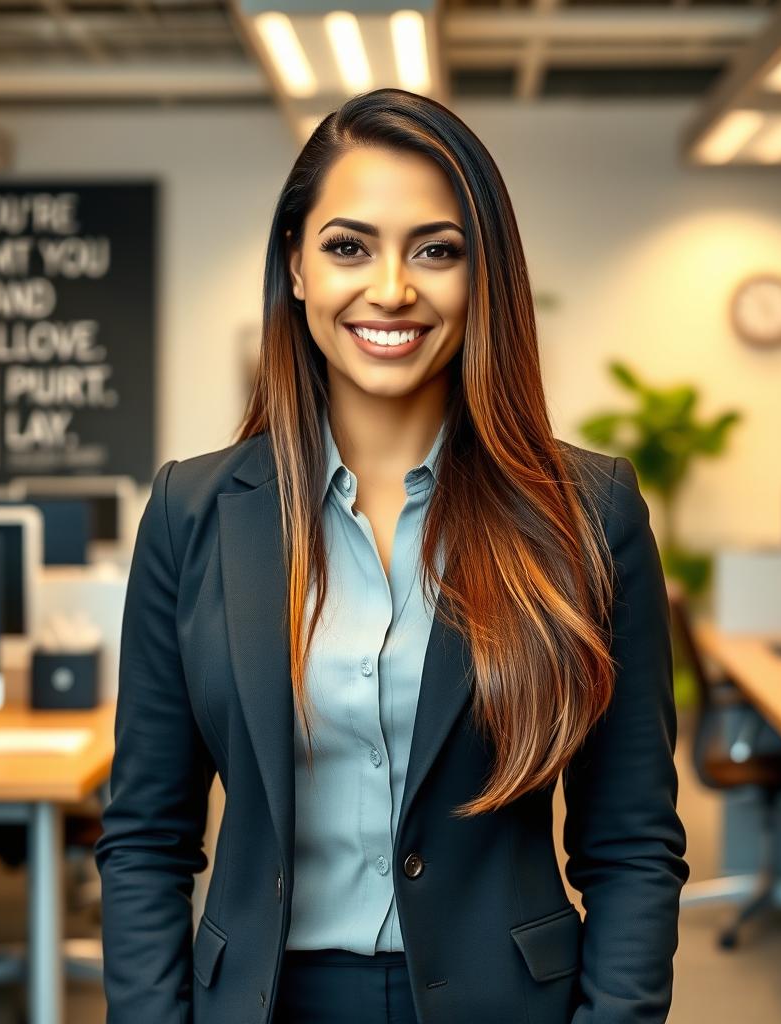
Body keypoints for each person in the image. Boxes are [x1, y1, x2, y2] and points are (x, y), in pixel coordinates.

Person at [95, 87, 689, 1024]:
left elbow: (632, 844)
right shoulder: (192, 511)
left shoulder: (587, 511)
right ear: (295, 266)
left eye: (436, 250)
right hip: (261, 1001)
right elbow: (144, 838)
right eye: (348, 245)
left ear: (481, 275)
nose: (392, 288)